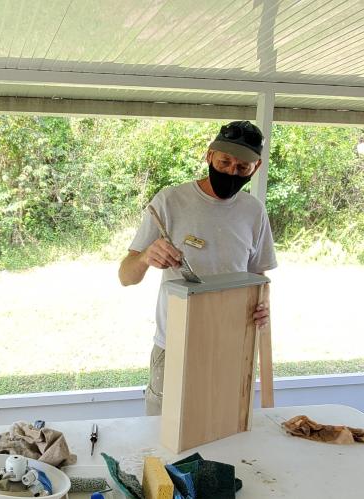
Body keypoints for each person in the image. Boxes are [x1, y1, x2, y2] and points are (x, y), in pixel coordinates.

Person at [118, 120, 277, 416]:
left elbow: (259, 278)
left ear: (256, 168)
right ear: (209, 156)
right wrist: (145, 258)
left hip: (231, 347)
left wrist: (263, 305)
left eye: (242, 168)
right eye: (225, 161)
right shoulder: (170, 202)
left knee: (223, 431)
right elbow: (125, 276)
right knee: (162, 434)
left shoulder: (253, 212)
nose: (231, 172)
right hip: (175, 346)